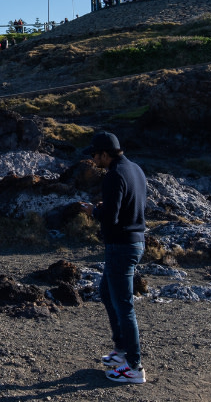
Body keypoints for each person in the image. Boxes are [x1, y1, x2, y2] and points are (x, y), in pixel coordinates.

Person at [79, 132, 148, 384]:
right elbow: (130, 205)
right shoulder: (136, 169)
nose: (92, 158)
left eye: (94, 154)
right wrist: (105, 207)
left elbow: (111, 218)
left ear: (105, 154)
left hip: (121, 245)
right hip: (134, 241)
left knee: (124, 305)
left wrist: (94, 211)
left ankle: (134, 366)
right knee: (107, 293)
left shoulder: (114, 176)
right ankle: (121, 350)